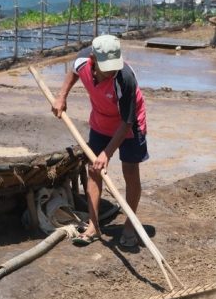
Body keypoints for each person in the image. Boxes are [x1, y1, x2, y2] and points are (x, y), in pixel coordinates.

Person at [51, 35, 149, 249]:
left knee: (130, 171)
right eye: (107, 67)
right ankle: (94, 226)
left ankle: (130, 224)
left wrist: (107, 153)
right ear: (94, 60)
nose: (112, 70)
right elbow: (73, 72)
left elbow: (126, 122)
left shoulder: (124, 78)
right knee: (93, 171)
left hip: (130, 126)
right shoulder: (82, 61)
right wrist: (61, 96)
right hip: (101, 123)